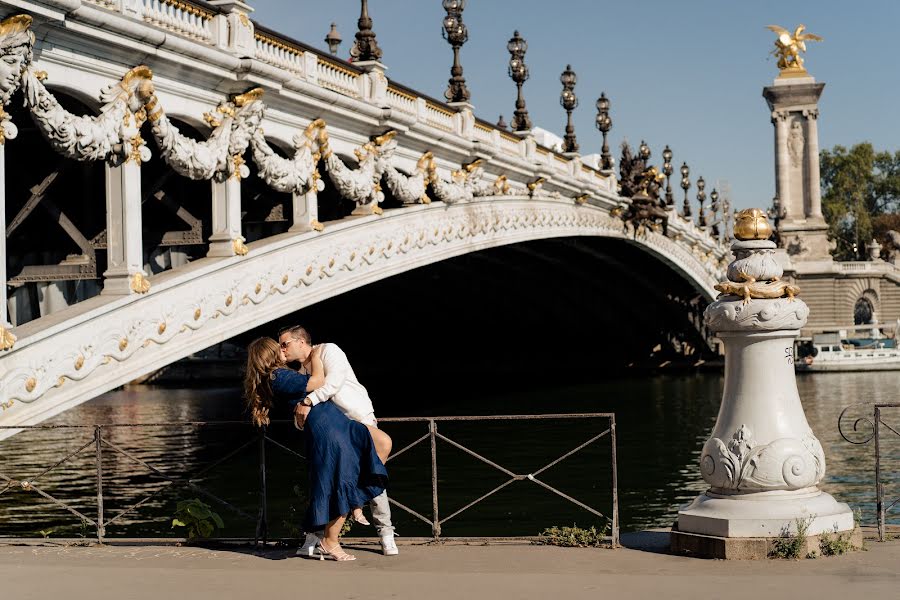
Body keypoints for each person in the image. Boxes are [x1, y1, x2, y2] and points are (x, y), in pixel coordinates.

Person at [243, 337, 389, 561]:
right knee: (344, 478)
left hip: (334, 422)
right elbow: (318, 381)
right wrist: (316, 357)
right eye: (278, 347)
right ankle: (330, 541)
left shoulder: (279, 376)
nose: (283, 350)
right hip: (327, 428)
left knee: (382, 443)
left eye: (284, 345)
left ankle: (354, 507)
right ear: (270, 353)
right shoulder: (278, 376)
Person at [278, 325, 399, 556]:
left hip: (358, 421)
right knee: (324, 483)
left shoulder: (329, 351)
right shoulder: (301, 374)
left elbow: (333, 384)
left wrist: (308, 401)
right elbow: (299, 412)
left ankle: (386, 533)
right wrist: (303, 412)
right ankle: (315, 537)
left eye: (285, 343)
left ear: (301, 341)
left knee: (372, 473)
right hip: (333, 435)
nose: (282, 349)